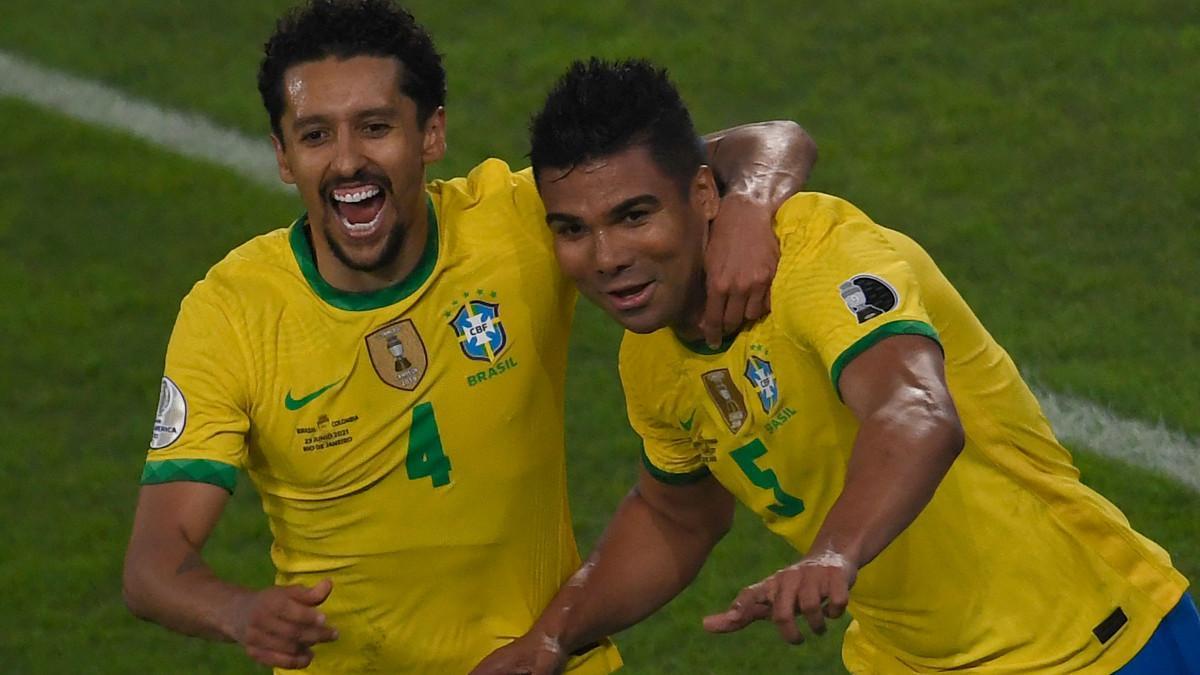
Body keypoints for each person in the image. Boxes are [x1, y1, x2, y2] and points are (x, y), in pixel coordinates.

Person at [120, 2, 818, 674]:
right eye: (315, 135)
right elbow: (155, 564)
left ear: (431, 135)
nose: (347, 161)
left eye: (374, 127)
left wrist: (752, 203)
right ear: (282, 155)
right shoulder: (231, 312)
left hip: (541, 660)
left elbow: (774, 140)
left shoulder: (516, 222)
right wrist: (240, 612)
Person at [470, 58, 1199, 674]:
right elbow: (674, 517)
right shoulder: (649, 360)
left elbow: (915, 413)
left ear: (700, 194)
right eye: (573, 230)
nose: (606, 258)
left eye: (634, 216)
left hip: (1093, 641)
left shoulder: (815, 255)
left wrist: (831, 554)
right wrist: (553, 635)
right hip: (901, 657)